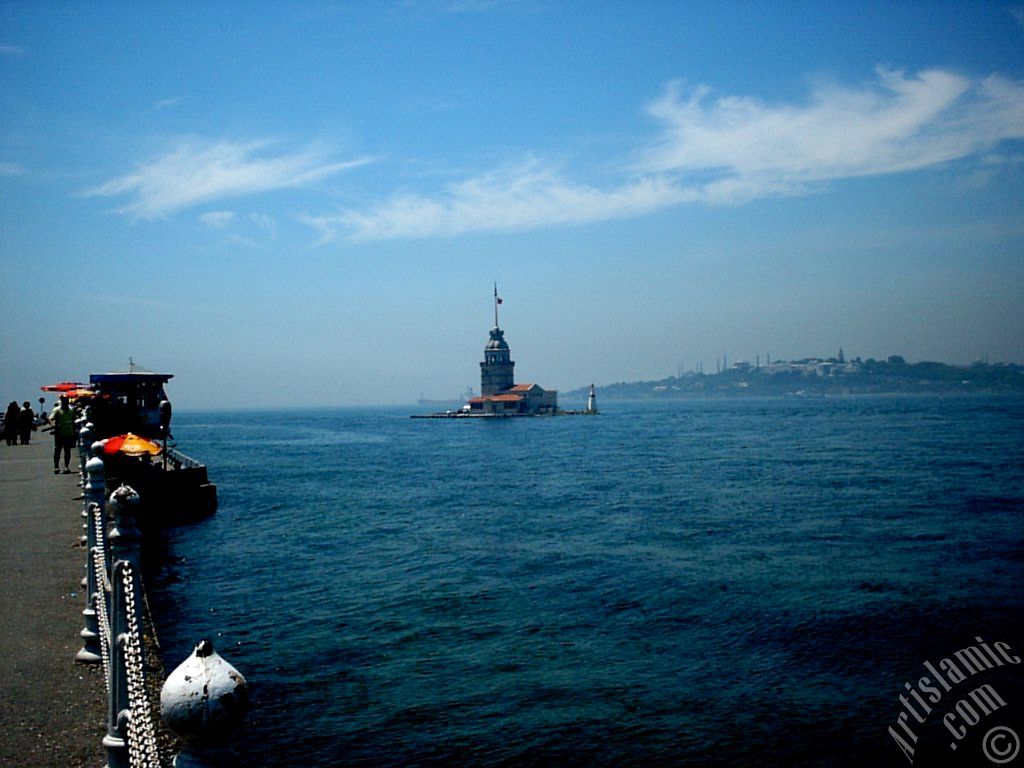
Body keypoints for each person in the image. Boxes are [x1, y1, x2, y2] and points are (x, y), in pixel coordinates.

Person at [49, 395, 77, 474]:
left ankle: (66, 466)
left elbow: (75, 418)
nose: (66, 401)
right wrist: (53, 425)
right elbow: (50, 418)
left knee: (67, 450)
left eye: (67, 400)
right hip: (59, 432)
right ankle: (56, 466)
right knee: (58, 449)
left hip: (69, 432)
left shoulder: (71, 410)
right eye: (64, 400)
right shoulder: (57, 410)